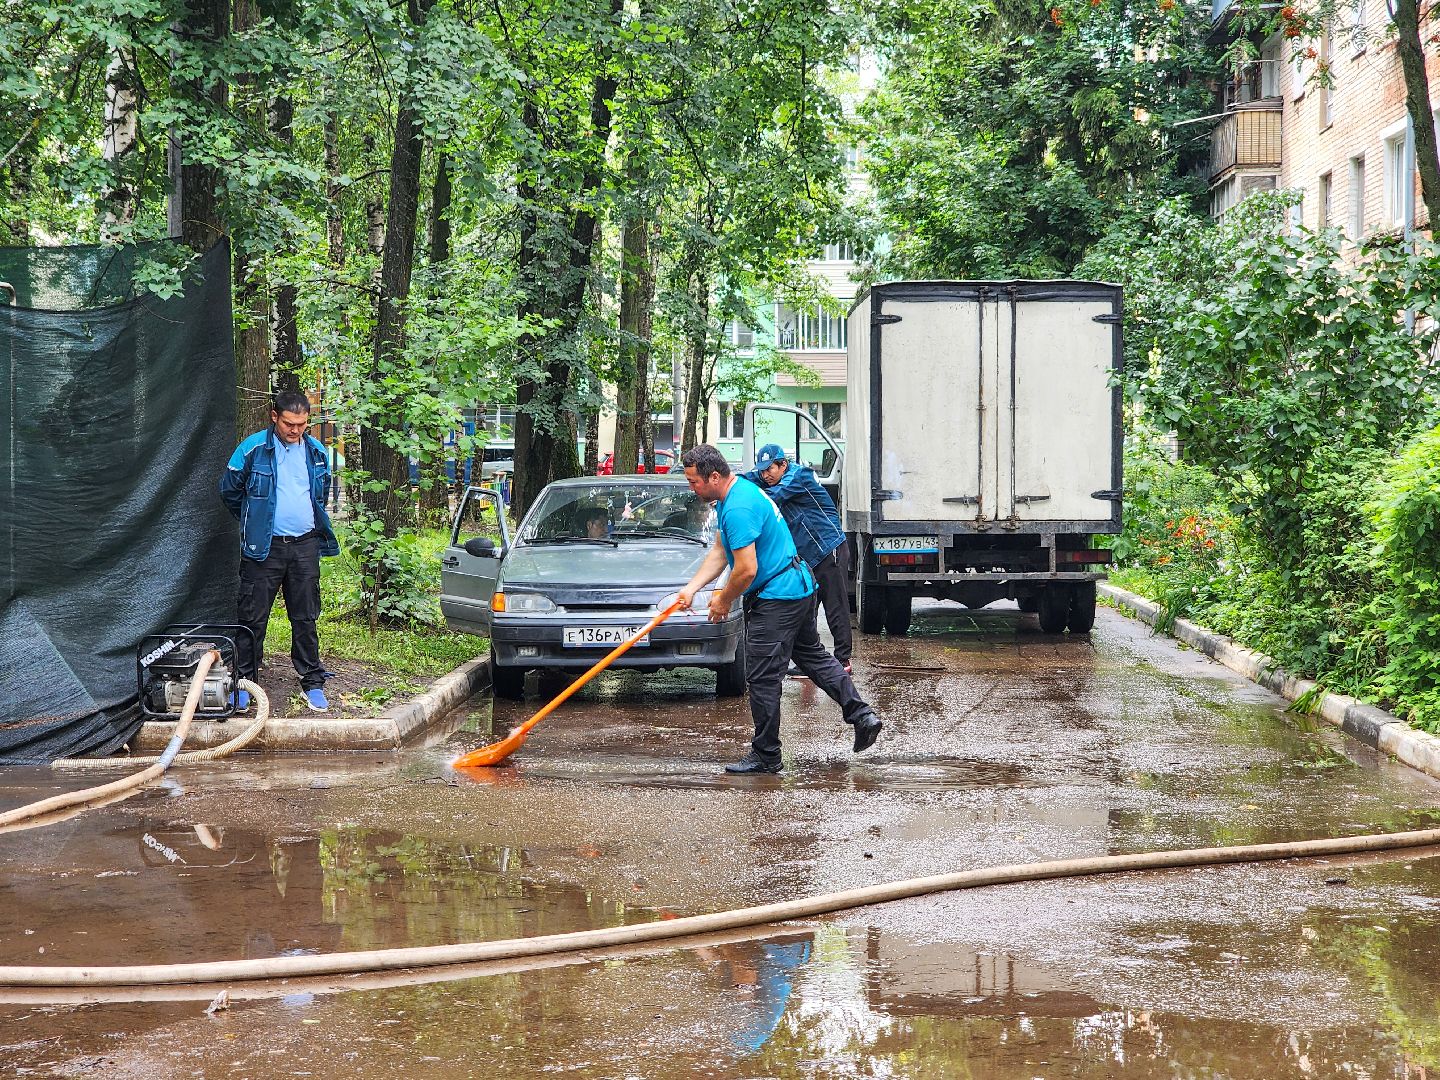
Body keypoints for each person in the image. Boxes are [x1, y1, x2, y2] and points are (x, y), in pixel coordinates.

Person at [678, 444, 881, 774]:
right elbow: (720, 549)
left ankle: (767, 754)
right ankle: (862, 716)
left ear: (713, 476)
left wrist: (724, 598)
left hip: (777, 599)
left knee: (762, 677)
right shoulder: (737, 494)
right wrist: (691, 589)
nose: (692, 488)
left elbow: (746, 570)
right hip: (795, 589)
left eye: (693, 482)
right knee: (813, 657)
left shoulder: (739, 506)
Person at [219, 390, 339, 712]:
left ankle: (312, 683)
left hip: (304, 546)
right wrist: (253, 522)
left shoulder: (315, 452)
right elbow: (229, 490)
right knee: (252, 618)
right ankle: (244, 685)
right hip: (263, 549)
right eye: (289, 423)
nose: (295, 430)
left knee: (305, 617)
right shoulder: (253, 449)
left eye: (302, 424)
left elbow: (320, 495)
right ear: (275, 417)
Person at [743, 443, 853, 676]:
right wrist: (729, 482)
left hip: (828, 548)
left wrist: (740, 494)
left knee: (835, 606)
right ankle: (809, 661)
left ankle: (843, 660)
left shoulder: (797, 476)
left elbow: (772, 498)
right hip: (808, 556)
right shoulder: (771, 476)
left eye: (770, 469)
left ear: (783, 464)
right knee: (808, 609)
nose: (765, 475)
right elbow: (750, 477)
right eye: (762, 471)